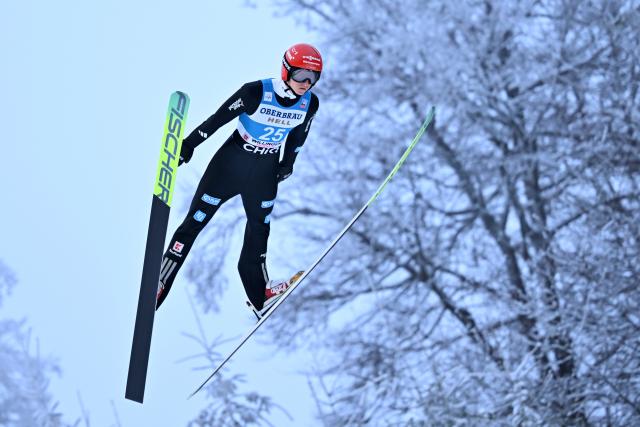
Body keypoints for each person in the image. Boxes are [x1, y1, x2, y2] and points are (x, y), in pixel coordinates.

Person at [155, 43, 322, 318]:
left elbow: (299, 135)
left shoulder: (310, 103)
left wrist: (288, 164)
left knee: (260, 228)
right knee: (193, 224)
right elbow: (217, 119)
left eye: (314, 77)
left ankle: (260, 295)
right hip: (231, 164)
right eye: (301, 74)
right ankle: (159, 282)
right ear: (286, 70)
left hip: (264, 171)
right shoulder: (255, 92)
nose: (306, 83)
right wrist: (189, 144)